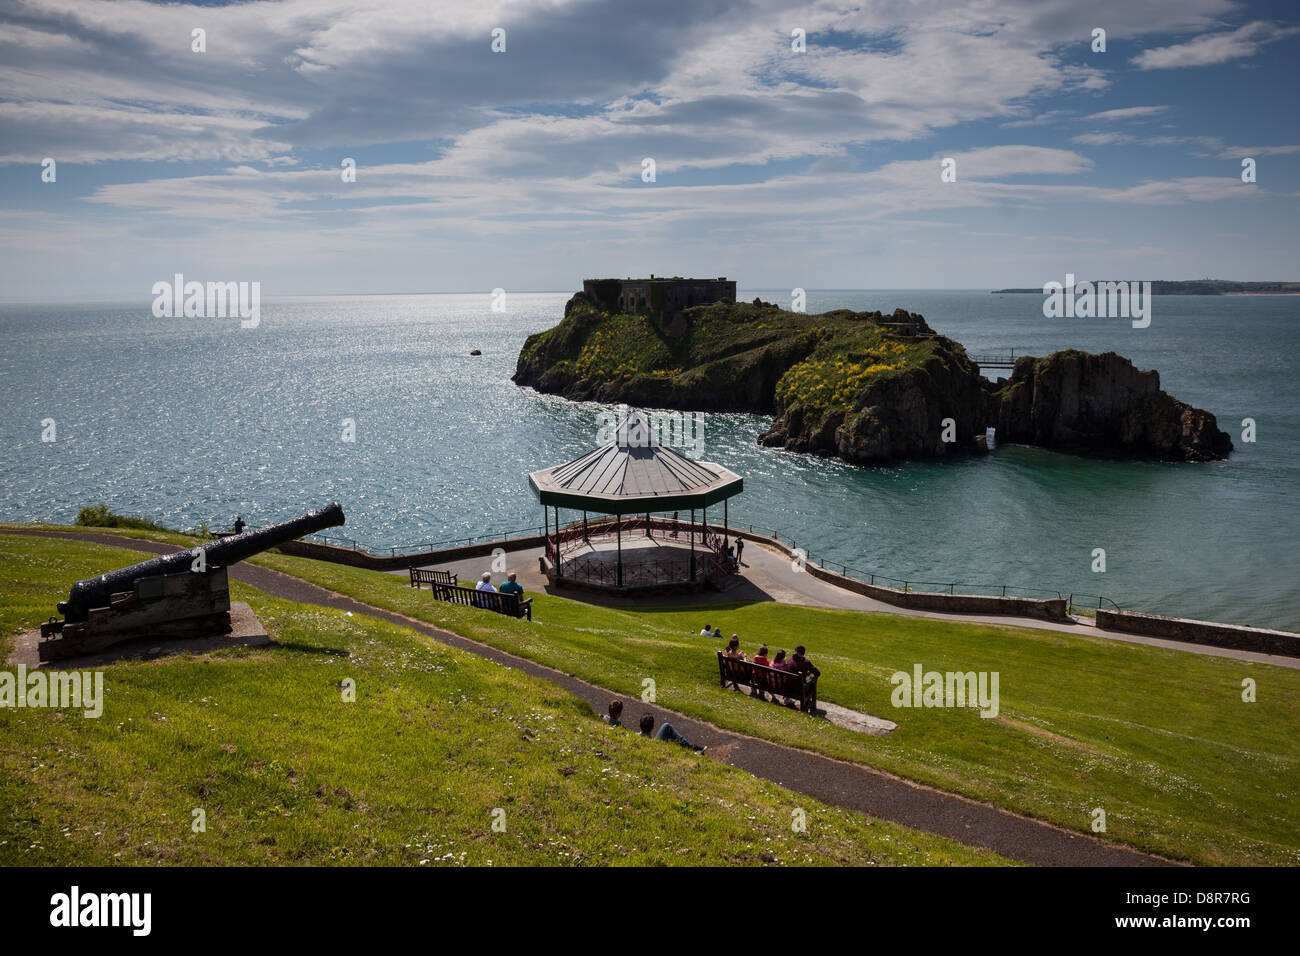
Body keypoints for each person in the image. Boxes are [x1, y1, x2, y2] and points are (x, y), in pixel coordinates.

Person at [639, 713, 705, 753]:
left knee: (666, 727)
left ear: (639, 726)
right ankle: (692, 748)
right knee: (666, 726)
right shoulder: (652, 741)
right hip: (655, 748)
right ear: (652, 727)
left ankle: (691, 747)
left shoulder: (635, 736)